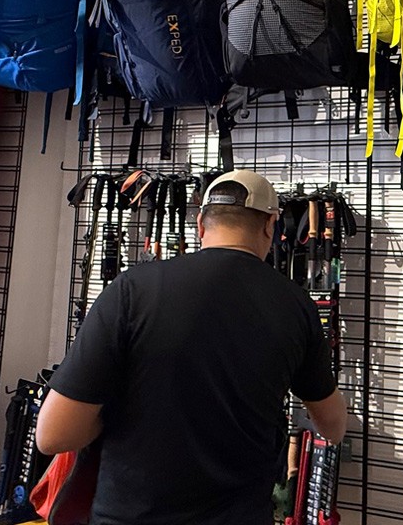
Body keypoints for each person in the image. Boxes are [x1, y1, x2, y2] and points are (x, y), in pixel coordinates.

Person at [36, 170, 348, 525]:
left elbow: (53, 435)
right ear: (271, 226)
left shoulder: (131, 291)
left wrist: (108, 418)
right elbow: (333, 427)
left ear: (200, 225)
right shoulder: (297, 307)